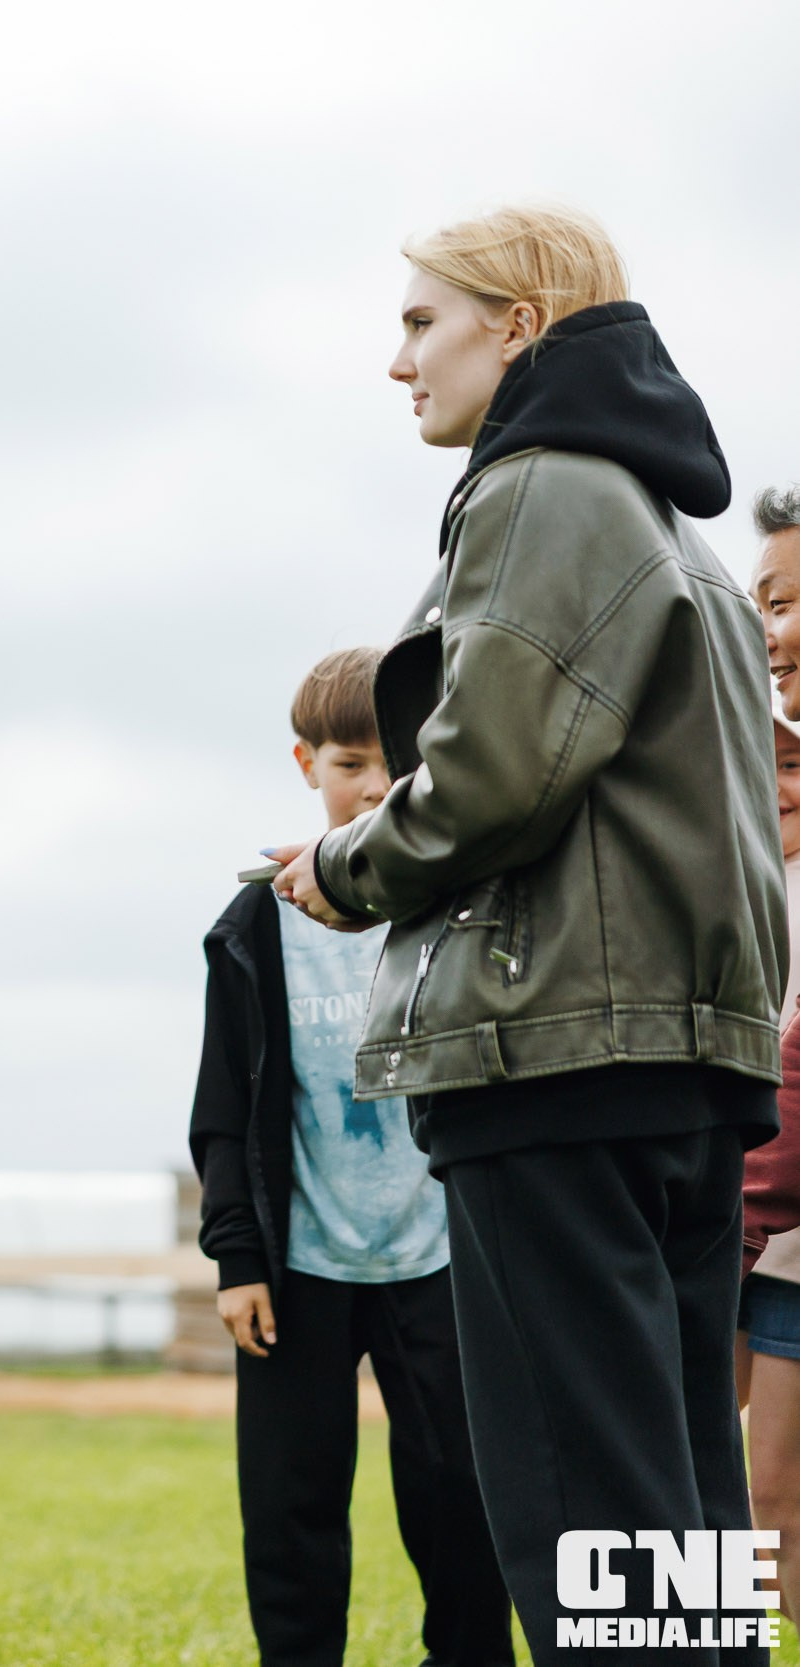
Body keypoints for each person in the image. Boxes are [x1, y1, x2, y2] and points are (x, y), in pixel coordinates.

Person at [270, 207, 782, 1663]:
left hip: (556, 1056)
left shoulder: (542, 488)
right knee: (674, 1521)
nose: (396, 359)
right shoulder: (665, 521)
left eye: (425, 321)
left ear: (523, 322)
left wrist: (345, 863)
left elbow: (494, 774)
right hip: (672, 1064)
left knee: (580, 1511)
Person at [192, 648, 510, 1666]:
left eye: (395, 762)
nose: (372, 785)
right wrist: (237, 1257)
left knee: (462, 1505)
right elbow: (219, 1113)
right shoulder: (250, 926)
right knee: (290, 1516)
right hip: (299, 1273)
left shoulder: (455, 903)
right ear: (304, 763)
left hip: (443, 1264)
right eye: (347, 762)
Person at [739, 488, 800, 1623]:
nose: (772, 632)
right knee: (764, 1504)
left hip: (764, 1203)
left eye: (789, 603)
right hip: (768, 1224)